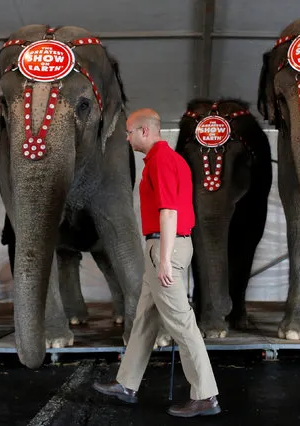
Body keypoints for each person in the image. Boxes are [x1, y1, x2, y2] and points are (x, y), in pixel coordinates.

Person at [92, 108, 221, 418]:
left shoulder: (161, 161)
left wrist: (163, 260)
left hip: (166, 247)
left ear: (145, 131)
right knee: (145, 317)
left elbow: (169, 212)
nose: (127, 137)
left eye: (129, 132)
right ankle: (127, 383)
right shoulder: (169, 160)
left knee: (181, 323)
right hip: (167, 245)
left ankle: (206, 396)